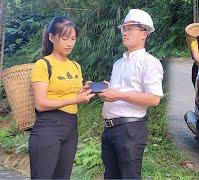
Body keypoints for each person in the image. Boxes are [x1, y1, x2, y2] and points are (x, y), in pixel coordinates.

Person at [98, 9, 163, 179]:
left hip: (130, 130)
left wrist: (118, 95)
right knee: (110, 176)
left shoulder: (150, 62)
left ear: (144, 33)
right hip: (109, 129)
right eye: (123, 29)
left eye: (130, 28)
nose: (125, 33)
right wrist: (103, 87)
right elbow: (121, 88)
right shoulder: (118, 63)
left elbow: (154, 98)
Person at [28, 16, 95, 179]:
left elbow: (73, 96)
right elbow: (41, 104)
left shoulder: (75, 66)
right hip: (48, 128)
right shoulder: (43, 65)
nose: (69, 43)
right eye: (65, 38)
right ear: (51, 37)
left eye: (73, 39)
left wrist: (85, 91)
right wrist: (75, 99)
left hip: (71, 128)